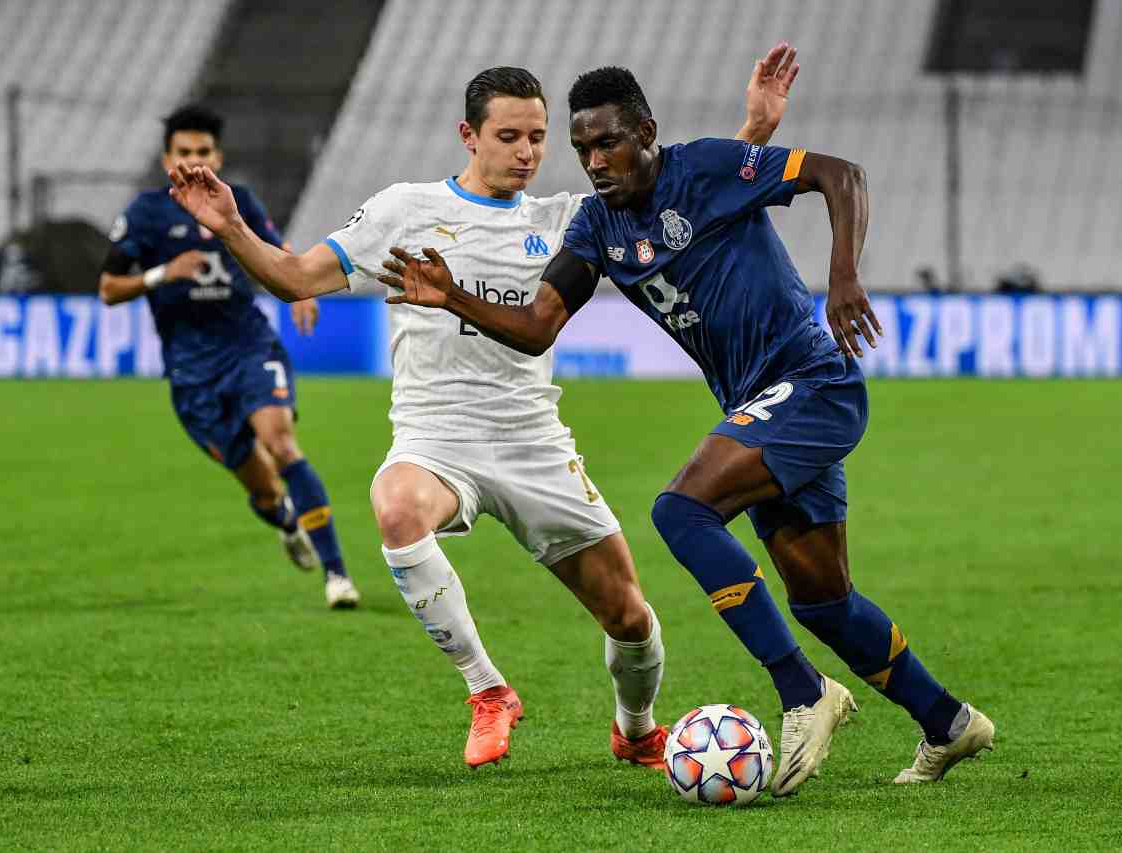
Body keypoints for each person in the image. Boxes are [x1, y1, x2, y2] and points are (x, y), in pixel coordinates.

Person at [162, 47, 800, 768]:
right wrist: (230, 226)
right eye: (509, 137)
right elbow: (294, 277)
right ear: (469, 137)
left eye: (536, 137)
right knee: (396, 506)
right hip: (436, 436)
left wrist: (754, 132)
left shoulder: (572, 220)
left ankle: (637, 726)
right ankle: (488, 688)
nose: (528, 152)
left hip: (533, 441)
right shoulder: (405, 211)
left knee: (629, 615)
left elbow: (682, 200)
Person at [380, 66, 996, 794]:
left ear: (645, 133)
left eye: (608, 143)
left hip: (812, 384)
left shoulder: (706, 166)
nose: (596, 162)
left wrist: (845, 276)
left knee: (681, 509)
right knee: (824, 601)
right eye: (583, 150)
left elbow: (840, 173)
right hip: (761, 406)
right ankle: (949, 721)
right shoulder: (597, 226)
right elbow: (538, 326)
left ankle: (803, 691)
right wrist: (452, 294)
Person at [99, 105, 359, 609]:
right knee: (261, 486)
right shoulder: (144, 214)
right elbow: (109, 288)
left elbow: (273, 245)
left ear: (216, 155)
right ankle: (286, 521)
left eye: (202, 152)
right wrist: (160, 275)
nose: (193, 160)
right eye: (183, 153)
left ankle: (338, 575)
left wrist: (301, 287)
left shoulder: (234, 201)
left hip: (249, 347)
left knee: (281, 443)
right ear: (166, 158)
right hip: (191, 373)